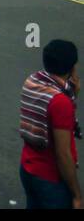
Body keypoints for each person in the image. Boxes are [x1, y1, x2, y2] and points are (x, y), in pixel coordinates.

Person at [17, 39, 81, 210]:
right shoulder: (60, 101)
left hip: (28, 168)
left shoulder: (33, 81)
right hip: (50, 178)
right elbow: (63, 154)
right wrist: (76, 193)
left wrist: (73, 94)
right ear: (72, 67)